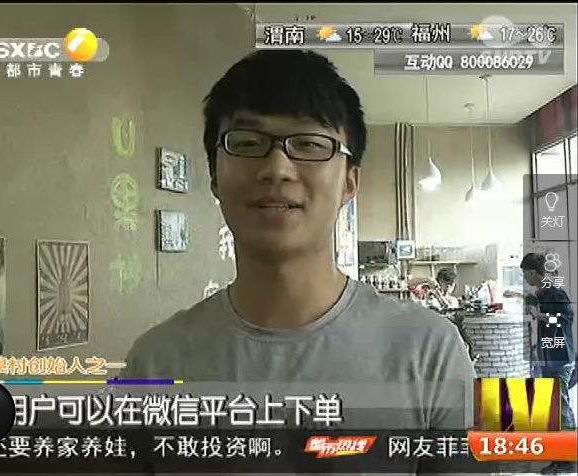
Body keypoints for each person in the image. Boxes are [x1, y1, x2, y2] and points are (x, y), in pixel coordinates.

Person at [121, 50, 475, 472]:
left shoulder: (429, 353)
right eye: (247, 143)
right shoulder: (155, 364)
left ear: (349, 182)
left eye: (309, 144)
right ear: (214, 175)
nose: (277, 169)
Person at [520, 253, 576, 475]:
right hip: (549, 357)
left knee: (561, 408)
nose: (524, 278)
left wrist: (540, 315)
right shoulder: (542, 292)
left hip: (560, 358)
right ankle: (560, 456)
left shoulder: (555, 292)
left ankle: (569, 460)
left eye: (525, 274)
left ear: (533, 273)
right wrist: (531, 305)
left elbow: (565, 319)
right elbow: (537, 304)